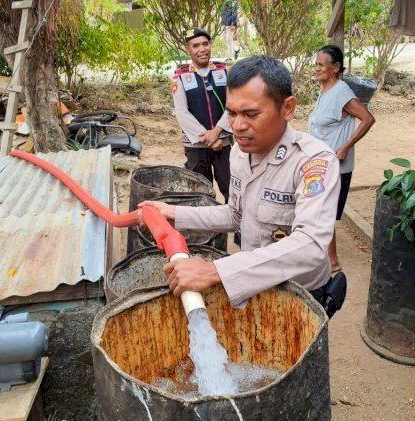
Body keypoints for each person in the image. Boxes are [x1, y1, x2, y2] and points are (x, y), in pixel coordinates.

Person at [141, 55, 345, 317]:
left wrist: (215, 271)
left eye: (250, 114)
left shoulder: (313, 162)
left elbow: (311, 246)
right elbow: (235, 214)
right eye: (231, 113)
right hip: (254, 289)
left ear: (288, 108)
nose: (237, 126)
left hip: (300, 298)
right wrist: (175, 213)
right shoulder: (239, 154)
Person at [308, 44, 375, 273]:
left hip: (336, 166)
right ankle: (326, 258)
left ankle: (333, 263)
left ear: (335, 67)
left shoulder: (342, 92)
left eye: (321, 65)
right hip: (321, 164)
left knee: (324, 214)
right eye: (316, 64)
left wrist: (345, 147)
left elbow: (367, 119)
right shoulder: (326, 88)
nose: (317, 69)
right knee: (319, 212)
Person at [172, 28, 232, 202]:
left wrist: (217, 131)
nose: (202, 49)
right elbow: (182, 113)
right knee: (199, 193)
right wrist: (208, 138)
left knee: (232, 189)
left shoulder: (223, 72)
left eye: (205, 44)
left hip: (223, 142)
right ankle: (208, 230)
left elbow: (232, 105)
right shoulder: (181, 76)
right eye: (196, 45)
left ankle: (237, 228)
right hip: (196, 147)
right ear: (188, 49)